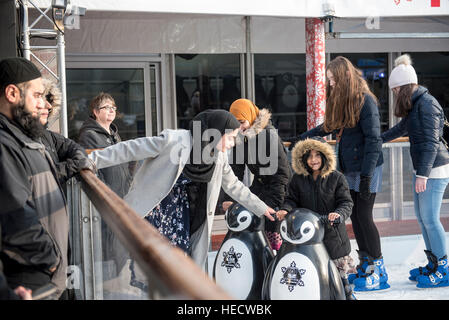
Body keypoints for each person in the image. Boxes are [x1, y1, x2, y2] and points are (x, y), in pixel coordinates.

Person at [88, 109, 276, 274]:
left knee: (177, 270)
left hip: (183, 219)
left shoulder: (217, 157)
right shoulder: (175, 140)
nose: (233, 143)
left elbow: (234, 185)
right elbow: (131, 149)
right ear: (217, 133)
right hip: (155, 212)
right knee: (152, 268)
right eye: (231, 137)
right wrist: (92, 160)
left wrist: (261, 207)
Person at [291, 56, 389, 291]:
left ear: (345, 77)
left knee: (364, 216)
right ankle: (365, 265)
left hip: (368, 166)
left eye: (333, 79)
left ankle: (379, 270)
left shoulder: (366, 101)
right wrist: (302, 137)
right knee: (355, 217)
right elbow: (329, 126)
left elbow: (374, 140)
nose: (331, 84)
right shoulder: (346, 101)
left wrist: (366, 177)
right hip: (352, 166)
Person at [0, 57, 70, 299]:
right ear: (12, 93)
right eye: (38, 95)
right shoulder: (4, 143)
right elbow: (15, 214)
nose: (43, 105)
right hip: (31, 280)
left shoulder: (22, 136)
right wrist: (50, 260)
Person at [382, 54, 449, 288]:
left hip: (434, 169)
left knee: (430, 219)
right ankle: (433, 263)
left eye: (395, 89)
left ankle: (443, 268)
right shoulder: (416, 105)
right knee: (423, 219)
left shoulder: (428, 104)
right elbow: (401, 128)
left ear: (403, 87)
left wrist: (423, 174)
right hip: (424, 168)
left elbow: (431, 143)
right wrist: (378, 139)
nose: (394, 94)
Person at [276, 136, 356, 300]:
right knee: (313, 273)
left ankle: (347, 295)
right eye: (309, 156)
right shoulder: (298, 179)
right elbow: (291, 199)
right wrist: (286, 209)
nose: (313, 160)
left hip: (332, 236)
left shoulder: (337, 178)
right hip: (308, 237)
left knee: (338, 279)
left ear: (325, 156)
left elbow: (346, 202)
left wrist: (338, 214)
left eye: (317, 155)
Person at [222, 98, 291, 251]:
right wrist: (229, 199)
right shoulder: (239, 137)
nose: (239, 127)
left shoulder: (268, 135)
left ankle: (276, 259)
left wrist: (273, 203)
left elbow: (282, 174)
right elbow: (235, 170)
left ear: (251, 118)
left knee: (270, 226)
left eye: (242, 122)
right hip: (260, 185)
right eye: (235, 123)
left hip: (279, 187)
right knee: (246, 217)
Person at [78, 92, 132, 280]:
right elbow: (94, 173)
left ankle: (117, 279)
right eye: (106, 107)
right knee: (108, 247)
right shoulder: (89, 135)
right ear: (95, 111)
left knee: (120, 244)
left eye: (113, 107)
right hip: (106, 201)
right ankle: (107, 285)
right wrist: (109, 195)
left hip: (122, 197)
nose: (111, 110)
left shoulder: (114, 134)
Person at [39, 78, 95, 185]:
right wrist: (75, 165)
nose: (49, 106)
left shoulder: (48, 135)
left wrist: (78, 161)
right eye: (41, 99)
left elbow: (74, 147)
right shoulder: (18, 138)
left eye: (49, 100)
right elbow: (39, 178)